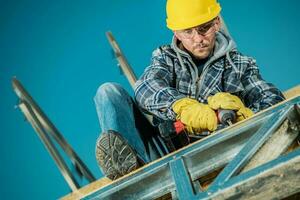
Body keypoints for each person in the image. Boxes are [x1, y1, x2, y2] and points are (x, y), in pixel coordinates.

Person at [94, 0, 285, 180]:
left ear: (216, 23)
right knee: (108, 93)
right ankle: (129, 172)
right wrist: (181, 106)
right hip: (166, 155)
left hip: (220, 148)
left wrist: (248, 114)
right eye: (188, 31)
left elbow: (273, 98)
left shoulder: (240, 65)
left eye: (204, 29)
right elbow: (145, 87)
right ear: (176, 32)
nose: (198, 39)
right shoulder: (165, 58)